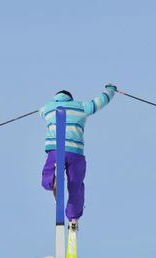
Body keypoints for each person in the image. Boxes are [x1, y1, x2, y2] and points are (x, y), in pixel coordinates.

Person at [40, 84, 117, 230]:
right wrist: (110, 91)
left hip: (55, 151)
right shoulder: (81, 107)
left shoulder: (48, 108)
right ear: (71, 98)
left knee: (46, 176)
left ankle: (52, 179)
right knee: (76, 185)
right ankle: (73, 218)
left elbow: (40, 112)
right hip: (75, 153)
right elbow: (99, 102)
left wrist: (44, 109)